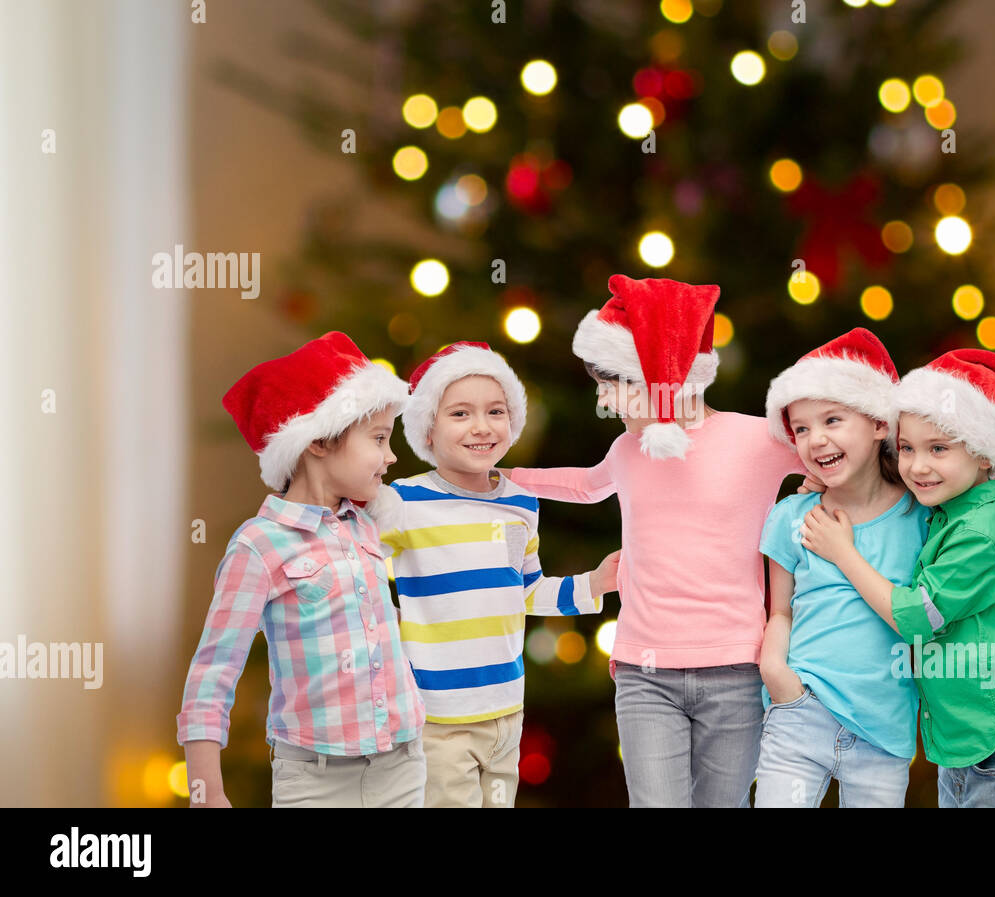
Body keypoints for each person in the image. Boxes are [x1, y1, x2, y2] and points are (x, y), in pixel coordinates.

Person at [500, 274, 811, 807]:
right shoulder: (627, 448)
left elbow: (829, 459)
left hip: (736, 671)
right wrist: (500, 479)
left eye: (611, 382)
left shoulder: (757, 438)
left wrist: (826, 480)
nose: (601, 397)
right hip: (645, 675)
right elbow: (584, 486)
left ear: (659, 374)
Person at [799, 348, 995, 807]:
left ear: (985, 454)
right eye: (907, 448)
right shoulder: (950, 510)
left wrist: (843, 554)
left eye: (938, 449)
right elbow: (987, 610)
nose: (917, 466)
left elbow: (919, 616)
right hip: (967, 745)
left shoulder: (983, 531)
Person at [177, 331, 426, 808]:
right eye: (378, 439)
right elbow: (213, 673)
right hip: (315, 781)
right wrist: (206, 791)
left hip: (403, 766)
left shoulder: (368, 525)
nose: (391, 456)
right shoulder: (260, 546)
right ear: (318, 441)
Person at [366, 341, 618, 807]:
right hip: (438, 717)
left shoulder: (522, 503)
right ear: (428, 428)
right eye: (460, 414)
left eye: (495, 411)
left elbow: (526, 591)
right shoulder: (403, 502)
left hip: (506, 709)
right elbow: (349, 557)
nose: (482, 427)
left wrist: (593, 584)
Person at [756, 328, 927, 807]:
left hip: (885, 731)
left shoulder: (922, 518)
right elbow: (780, 611)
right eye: (802, 429)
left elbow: (955, 605)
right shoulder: (792, 516)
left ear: (878, 425)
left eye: (832, 419)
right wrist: (775, 672)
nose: (816, 439)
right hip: (798, 712)